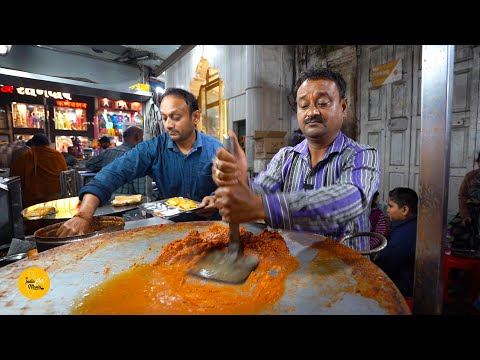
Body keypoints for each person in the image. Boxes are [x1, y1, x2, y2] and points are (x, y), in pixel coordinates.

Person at [212, 67, 381, 251]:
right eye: (304, 105)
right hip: (292, 267)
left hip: (346, 271)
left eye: (323, 103)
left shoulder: (362, 155)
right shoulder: (286, 156)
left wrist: (264, 207)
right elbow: (261, 191)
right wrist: (238, 181)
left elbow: (349, 199)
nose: (312, 112)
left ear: (343, 107)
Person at [56, 88, 223, 237]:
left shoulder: (216, 150)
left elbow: (235, 187)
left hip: (213, 230)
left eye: (176, 117)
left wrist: (217, 199)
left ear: (195, 117)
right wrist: (83, 215)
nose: (168, 125)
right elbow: (112, 173)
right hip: (173, 231)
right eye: (164, 118)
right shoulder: (153, 149)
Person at [373, 187, 418, 297]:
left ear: (404, 210)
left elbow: (386, 263)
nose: (387, 210)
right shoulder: (412, 224)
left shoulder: (404, 236)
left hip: (401, 286)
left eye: (391, 206)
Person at [10, 133, 68, 208]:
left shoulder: (26, 156)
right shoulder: (57, 155)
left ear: (33, 143)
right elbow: (64, 173)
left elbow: (16, 177)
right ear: (48, 144)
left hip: (35, 198)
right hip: (56, 195)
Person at [84, 126, 146, 195]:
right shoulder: (136, 157)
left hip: (104, 198)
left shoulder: (108, 153)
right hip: (125, 202)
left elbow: (89, 164)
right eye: (142, 139)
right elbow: (141, 190)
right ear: (137, 138)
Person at [458, 152, 480, 227]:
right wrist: (465, 215)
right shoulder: (470, 176)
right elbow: (462, 196)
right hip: (470, 213)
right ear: (478, 162)